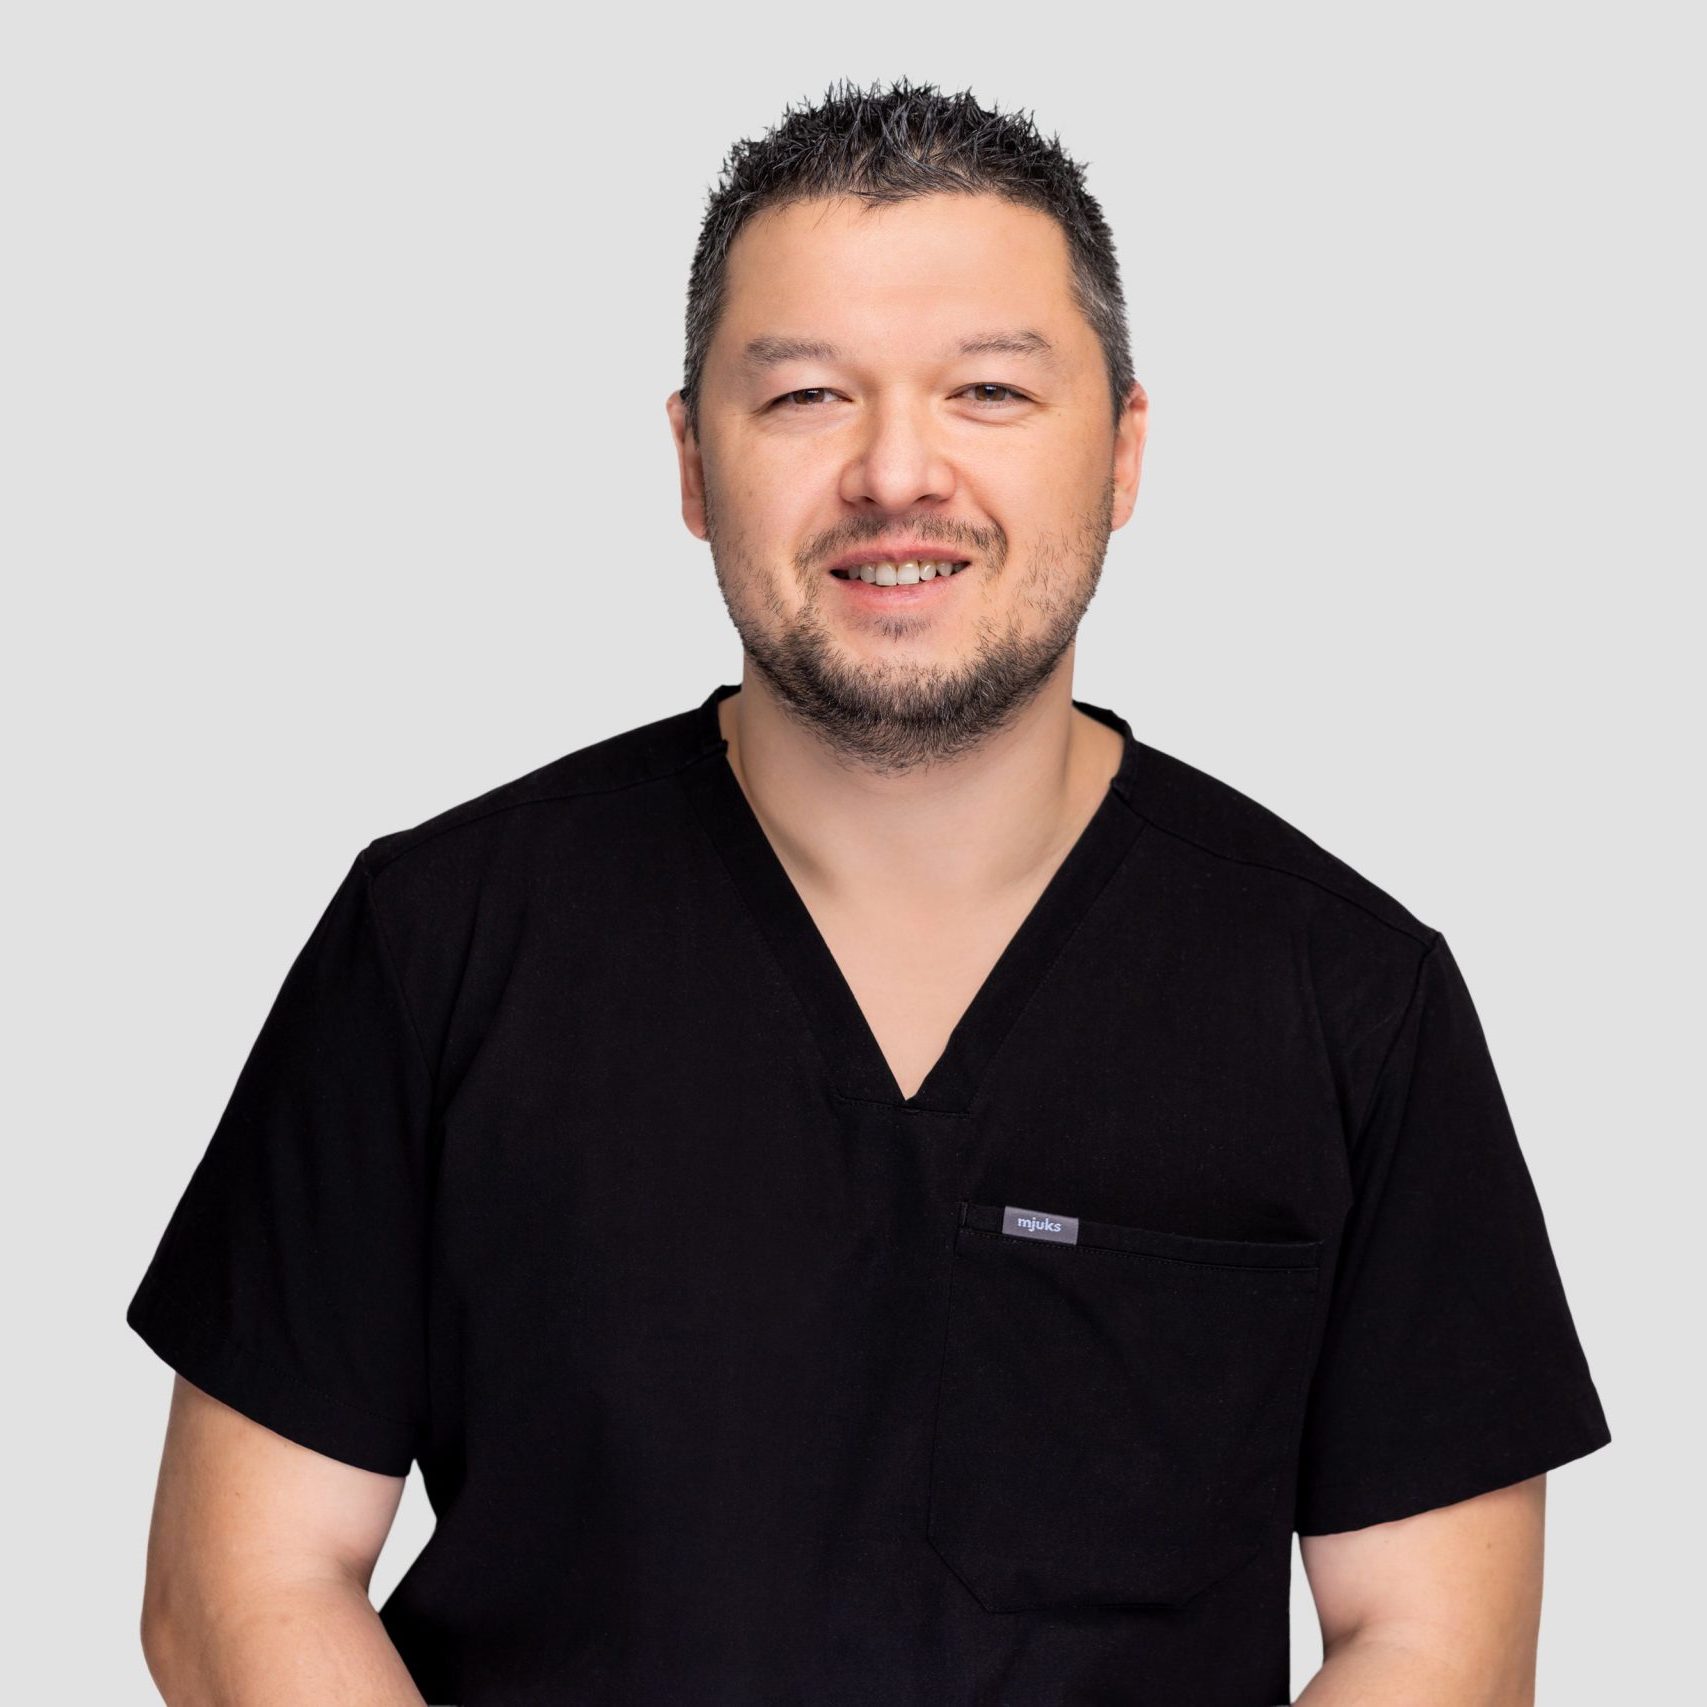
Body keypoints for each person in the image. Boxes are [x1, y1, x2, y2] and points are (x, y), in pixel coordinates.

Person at [127, 76, 1611, 1706]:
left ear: (1122, 452)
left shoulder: (1350, 1002)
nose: (897, 473)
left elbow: (1437, 1641)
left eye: (989, 390)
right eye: (807, 396)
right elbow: (239, 1584)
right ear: (693, 462)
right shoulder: (438, 944)